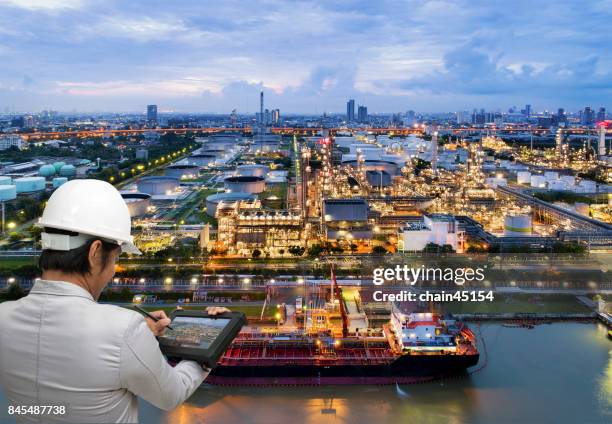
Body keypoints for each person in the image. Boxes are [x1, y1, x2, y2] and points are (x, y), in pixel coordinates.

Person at [0, 179, 228, 423]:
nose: (114, 270)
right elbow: (171, 395)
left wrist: (139, 338)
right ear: (95, 252)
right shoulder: (123, 329)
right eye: (116, 258)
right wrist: (208, 347)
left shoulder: (4, 317)